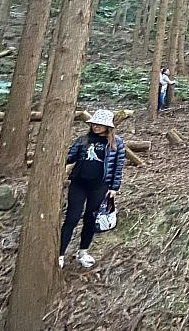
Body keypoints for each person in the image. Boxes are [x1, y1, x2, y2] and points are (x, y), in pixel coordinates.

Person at [60, 109, 125, 268]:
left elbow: (118, 166)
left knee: (91, 219)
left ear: (108, 127)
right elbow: (70, 156)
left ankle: (83, 252)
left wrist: (114, 187)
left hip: (100, 186)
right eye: (94, 123)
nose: (95, 126)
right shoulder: (83, 140)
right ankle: (60, 254)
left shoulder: (116, 143)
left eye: (100, 124)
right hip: (79, 184)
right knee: (72, 218)